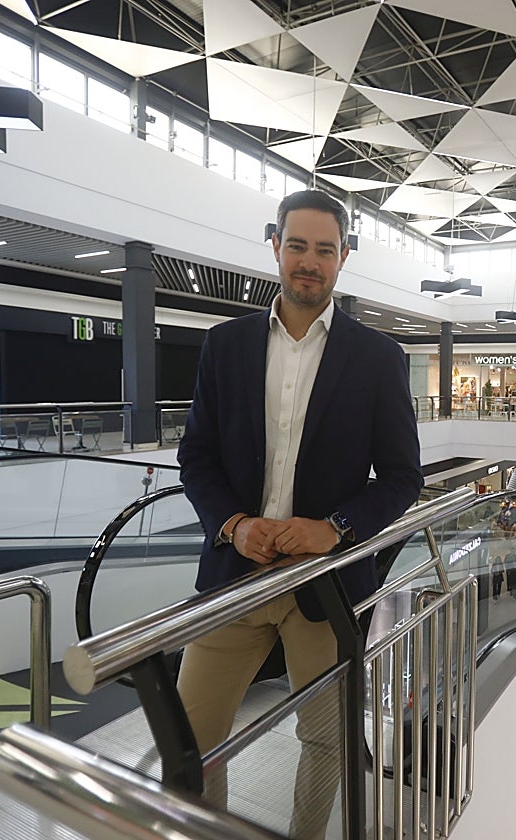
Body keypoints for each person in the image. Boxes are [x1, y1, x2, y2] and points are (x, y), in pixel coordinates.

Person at [176, 189, 423, 838]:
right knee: (190, 739)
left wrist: (334, 527)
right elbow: (196, 458)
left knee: (324, 741)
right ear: (276, 248)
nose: (307, 262)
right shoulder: (224, 347)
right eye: (296, 246)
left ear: (344, 257)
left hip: (328, 586)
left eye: (323, 249)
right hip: (235, 574)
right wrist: (233, 523)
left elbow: (401, 478)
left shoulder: (376, 359)